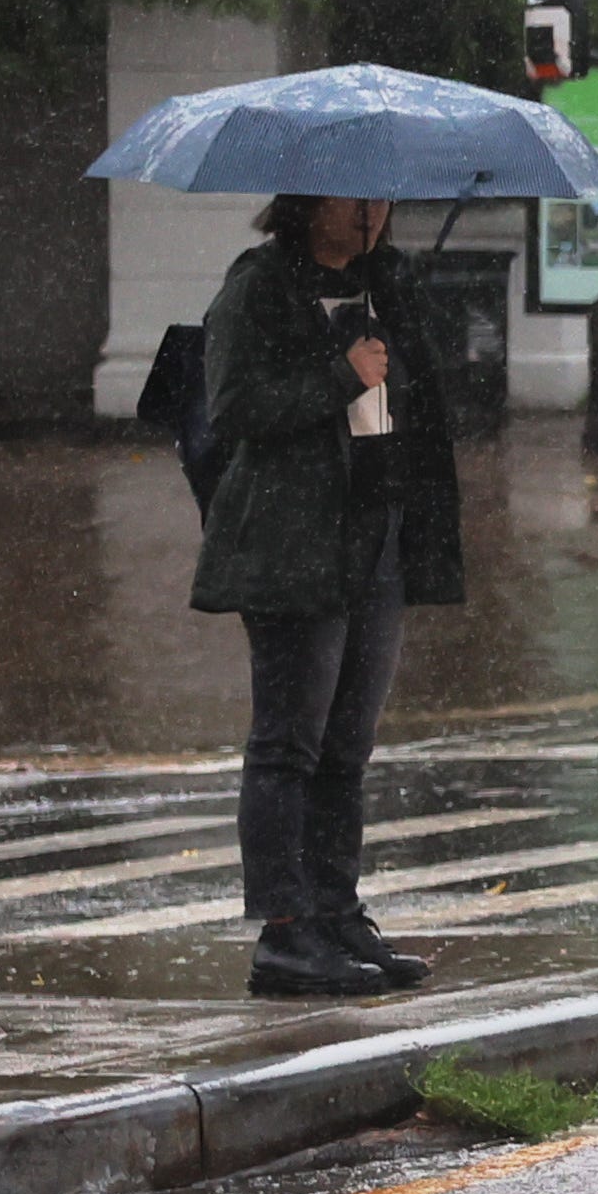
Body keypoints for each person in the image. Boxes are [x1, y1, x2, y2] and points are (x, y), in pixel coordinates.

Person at [189, 194, 465, 998]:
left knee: (348, 743)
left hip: (377, 534)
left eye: (381, 195)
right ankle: (285, 931)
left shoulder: (390, 280)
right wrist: (340, 375)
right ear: (307, 201)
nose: (371, 210)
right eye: (352, 195)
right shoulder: (259, 286)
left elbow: (424, 400)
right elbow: (235, 406)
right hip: (293, 542)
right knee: (289, 742)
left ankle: (336, 912)